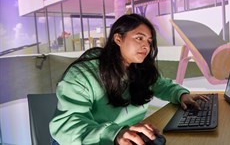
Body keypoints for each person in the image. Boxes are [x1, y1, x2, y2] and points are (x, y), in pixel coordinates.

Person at [49, 13, 207, 145]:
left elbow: (162, 85)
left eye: (149, 41)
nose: (146, 46)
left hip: (124, 137)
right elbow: (67, 124)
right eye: (139, 38)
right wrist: (115, 134)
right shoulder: (82, 74)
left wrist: (181, 95)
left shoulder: (139, 68)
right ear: (118, 39)